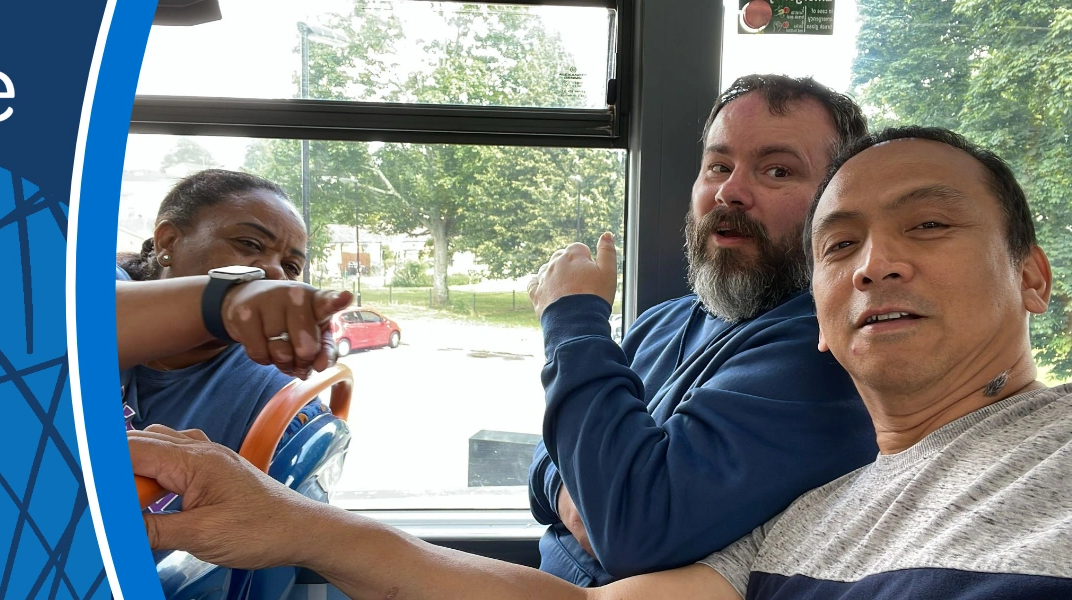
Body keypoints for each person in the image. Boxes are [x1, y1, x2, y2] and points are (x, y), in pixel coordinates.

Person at [129, 127, 1071, 599]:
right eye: (840, 246)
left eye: (930, 225)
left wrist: (573, 316)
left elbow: (623, 514)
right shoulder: (795, 518)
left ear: (1032, 277)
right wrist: (284, 522)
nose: (875, 264)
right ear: (820, 313)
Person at [522, 74, 875, 584]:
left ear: (838, 203)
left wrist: (572, 319)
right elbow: (551, 447)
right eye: (718, 166)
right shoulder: (661, 321)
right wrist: (572, 490)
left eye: (777, 170)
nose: (730, 192)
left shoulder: (824, 353)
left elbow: (630, 530)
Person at [116, 169, 350, 511]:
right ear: (168, 242)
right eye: (249, 245)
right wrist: (223, 302)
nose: (274, 274)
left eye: (290, 266)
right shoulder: (91, 281)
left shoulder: (276, 402)